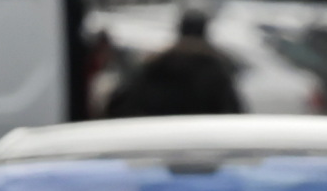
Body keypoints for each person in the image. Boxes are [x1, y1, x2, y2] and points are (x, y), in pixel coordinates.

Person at [104, 9, 243, 117]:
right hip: (204, 144)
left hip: (157, 142)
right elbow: (233, 114)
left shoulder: (156, 66)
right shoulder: (215, 70)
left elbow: (119, 105)